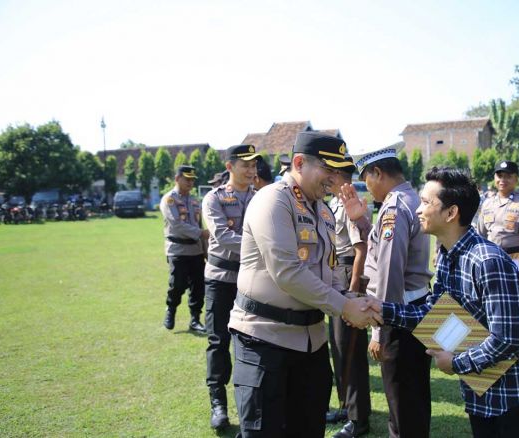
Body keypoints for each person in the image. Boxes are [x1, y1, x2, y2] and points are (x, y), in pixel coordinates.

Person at [361, 167, 519, 437]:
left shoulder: (488, 261)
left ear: (451, 213)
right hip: (482, 387)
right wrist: (383, 310)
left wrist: (456, 363)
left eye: (427, 203)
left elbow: (507, 339)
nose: (419, 210)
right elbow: (434, 315)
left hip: (515, 393)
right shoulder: (447, 255)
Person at [227, 132, 382, 438]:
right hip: (264, 342)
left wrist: (349, 295)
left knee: (309, 429)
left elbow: (329, 268)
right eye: (329, 170)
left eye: (339, 172)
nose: (335, 179)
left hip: (311, 344)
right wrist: (344, 307)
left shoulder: (322, 210)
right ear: (299, 163)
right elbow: (287, 271)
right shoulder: (273, 200)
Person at [352, 143, 433, 438]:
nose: (367, 186)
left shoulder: (395, 208)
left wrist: (378, 331)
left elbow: (388, 273)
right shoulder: (413, 198)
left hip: (399, 318)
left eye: (367, 178)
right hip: (416, 307)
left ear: (377, 172)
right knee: (415, 398)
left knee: (402, 403)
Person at [201, 145, 259, 429]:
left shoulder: (262, 198)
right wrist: (263, 246)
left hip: (250, 280)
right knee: (218, 341)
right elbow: (223, 236)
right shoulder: (214, 198)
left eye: (254, 165)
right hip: (221, 280)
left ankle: (248, 402)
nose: (251, 170)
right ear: (230, 167)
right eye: (245, 165)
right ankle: (218, 404)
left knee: (249, 342)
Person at [327, 158, 372, 438]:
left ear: (340, 176)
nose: (326, 178)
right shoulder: (333, 203)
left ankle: (359, 419)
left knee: (351, 351)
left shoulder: (349, 202)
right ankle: (346, 406)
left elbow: (361, 249)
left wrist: (354, 289)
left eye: (330, 174)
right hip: (335, 274)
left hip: (347, 274)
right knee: (339, 348)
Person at [476, 160, 519, 317]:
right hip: (492, 260)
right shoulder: (487, 203)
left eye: (508, 176)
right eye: (499, 175)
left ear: (516, 179)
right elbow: (480, 235)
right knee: (492, 305)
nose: (503, 180)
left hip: (516, 260)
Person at [160, 165, 209, 333]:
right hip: (178, 250)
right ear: (177, 179)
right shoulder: (169, 200)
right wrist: (201, 233)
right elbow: (177, 225)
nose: (190, 182)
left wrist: (206, 252)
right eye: (187, 178)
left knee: (198, 286)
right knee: (177, 284)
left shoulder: (195, 201)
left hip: (195, 251)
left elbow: (199, 224)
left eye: (192, 179)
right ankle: (170, 310)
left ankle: (195, 319)